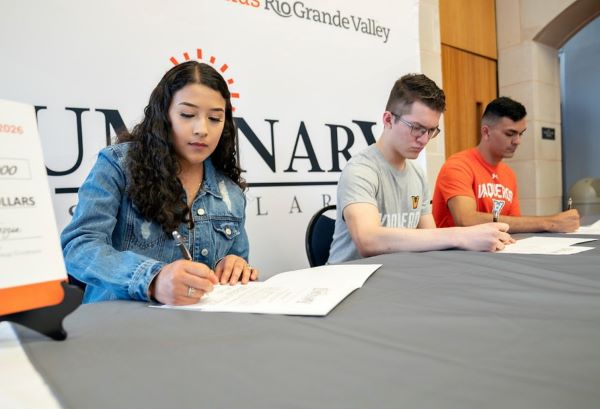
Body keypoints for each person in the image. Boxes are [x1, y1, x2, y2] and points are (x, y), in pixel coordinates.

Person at [61, 61, 258, 305]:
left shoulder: (229, 191)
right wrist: (152, 280)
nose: (202, 129)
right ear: (163, 115)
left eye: (215, 118)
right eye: (187, 115)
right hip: (118, 327)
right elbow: (78, 246)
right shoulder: (117, 166)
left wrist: (232, 266)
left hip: (202, 330)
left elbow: (235, 268)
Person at [327, 74, 513, 264]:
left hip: (393, 276)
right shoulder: (360, 170)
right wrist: (461, 235)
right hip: (348, 281)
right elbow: (369, 240)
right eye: (417, 128)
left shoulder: (417, 174)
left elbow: (430, 237)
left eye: (431, 130)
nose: (424, 140)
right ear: (388, 120)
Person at [432, 96, 580, 233]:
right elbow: (466, 220)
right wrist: (549, 223)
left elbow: (514, 224)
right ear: (486, 132)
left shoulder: (508, 174)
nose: (517, 141)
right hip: (456, 257)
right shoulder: (458, 166)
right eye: (510, 134)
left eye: (520, 134)